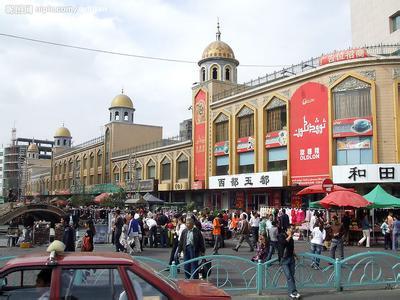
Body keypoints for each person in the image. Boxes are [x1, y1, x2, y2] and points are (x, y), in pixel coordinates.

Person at [278, 226, 300, 299]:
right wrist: (290, 236)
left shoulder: (291, 238)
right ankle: (293, 292)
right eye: (292, 229)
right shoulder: (281, 235)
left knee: (291, 275)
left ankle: (292, 291)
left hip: (291, 258)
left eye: (294, 229)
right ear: (287, 229)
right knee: (289, 276)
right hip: (284, 259)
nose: (293, 230)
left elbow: (291, 248)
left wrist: (295, 255)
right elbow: (283, 243)